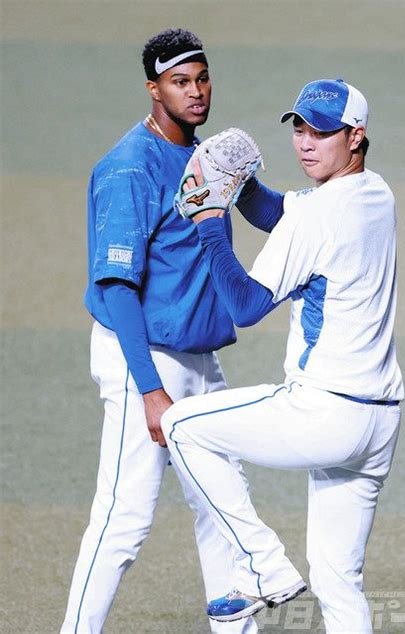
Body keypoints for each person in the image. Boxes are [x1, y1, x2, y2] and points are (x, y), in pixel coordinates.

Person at [161, 79, 405, 633]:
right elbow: (283, 215)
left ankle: (263, 566)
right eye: (299, 127)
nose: (305, 142)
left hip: (325, 414)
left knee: (181, 425)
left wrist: (211, 224)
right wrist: (243, 186)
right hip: (380, 421)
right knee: (339, 581)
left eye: (321, 131)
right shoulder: (376, 193)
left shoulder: (320, 217)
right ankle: (277, 574)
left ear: (356, 135)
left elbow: (245, 307)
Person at [61, 28, 257, 634]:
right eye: (180, 82)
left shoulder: (204, 158)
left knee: (223, 506)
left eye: (202, 79)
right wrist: (149, 389)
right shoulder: (130, 168)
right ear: (154, 89)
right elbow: (116, 288)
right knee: (124, 517)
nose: (196, 93)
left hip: (200, 360)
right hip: (142, 357)